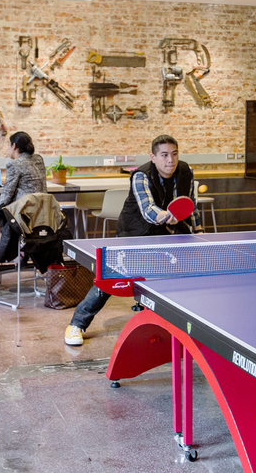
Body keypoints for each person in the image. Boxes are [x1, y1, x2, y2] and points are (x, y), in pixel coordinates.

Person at [65, 135, 203, 346]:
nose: (170, 160)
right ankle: (77, 325)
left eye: (174, 154)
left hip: (170, 231)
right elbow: (149, 211)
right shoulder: (141, 175)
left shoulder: (186, 171)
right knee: (113, 276)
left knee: (182, 275)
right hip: (136, 231)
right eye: (164, 155)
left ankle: (178, 328)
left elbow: (189, 204)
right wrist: (167, 216)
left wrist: (200, 231)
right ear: (153, 157)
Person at [0, 131, 47, 240]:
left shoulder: (14, 164)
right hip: (41, 209)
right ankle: (19, 245)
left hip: (21, 212)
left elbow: (7, 194)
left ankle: (14, 246)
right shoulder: (38, 159)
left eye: (8, 145)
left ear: (13, 146)